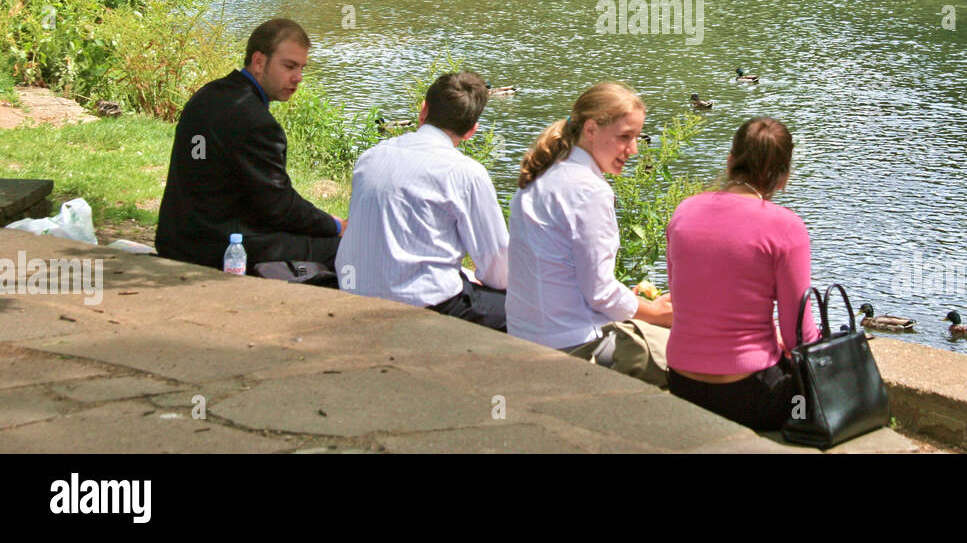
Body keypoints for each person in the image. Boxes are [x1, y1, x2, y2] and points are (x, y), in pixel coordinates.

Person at [506, 82, 673, 382]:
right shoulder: (588, 189)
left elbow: (567, 274)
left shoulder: (544, 173)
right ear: (591, 129)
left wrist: (636, 303)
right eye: (625, 137)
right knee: (689, 360)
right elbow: (599, 293)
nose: (633, 149)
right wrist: (657, 314)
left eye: (635, 137)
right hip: (572, 345)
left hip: (526, 335)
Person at [663, 117, 818, 431]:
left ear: (731, 160)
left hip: (682, 384)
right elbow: (798, 337)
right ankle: (800, 430)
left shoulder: (684, 210)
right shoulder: (786, 227)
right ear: (785, 176)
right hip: (751, 397)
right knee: (807, 397)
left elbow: (683, 298)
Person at [156, 19, 345, 271]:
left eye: (302, 68)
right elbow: (279, 208)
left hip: (176, 238)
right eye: (289, 66)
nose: (298, 78)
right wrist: (334, 225)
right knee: (343, 247)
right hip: (216, 247)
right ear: (259, 62)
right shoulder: (256, 122)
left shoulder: (208, 95)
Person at [336, 71, 509, 330]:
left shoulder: (371, 157)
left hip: (353, 288)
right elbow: (499, 271)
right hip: (422, 306)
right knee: (527, 309)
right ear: (472, 130)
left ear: (423, 110)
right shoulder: (466, 174)